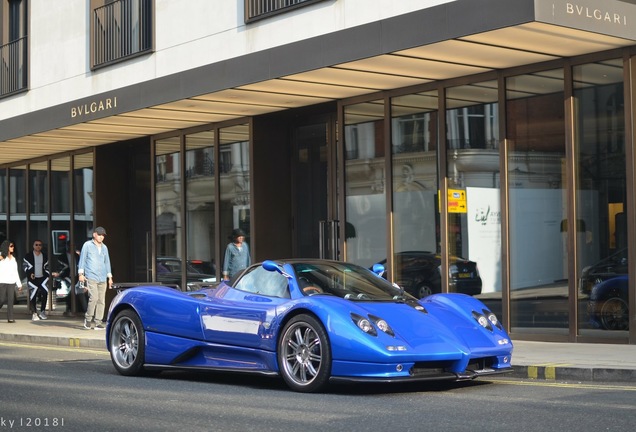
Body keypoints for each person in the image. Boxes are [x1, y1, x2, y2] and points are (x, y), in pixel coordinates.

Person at [78, 226, 113, 330]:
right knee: (94, 298)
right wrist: (81, 274)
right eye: (99, 234)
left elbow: (107, 262)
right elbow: (82, 259)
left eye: (103, 235)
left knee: (101, 300)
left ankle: (98, 322)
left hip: (102, 277)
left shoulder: (104, 247)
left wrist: (110, 277)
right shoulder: (87, 245)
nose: (101, 237)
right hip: (91, 276)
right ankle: (88, 319)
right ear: (94, 234)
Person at [23, 239, 58, 321]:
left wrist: (49, 275)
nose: (38, 246)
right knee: (33, 296)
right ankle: (34, 313)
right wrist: (29, 273)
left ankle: (42, 312)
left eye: (40, 245)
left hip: (42, 278)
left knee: (45, 293)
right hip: (32, 279)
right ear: (33, 246)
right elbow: (24, 266)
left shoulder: (44, 256)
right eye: (36, 245)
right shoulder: (28, 256)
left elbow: (47, 267)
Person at [0, 240, 23, 323]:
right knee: (2, 299)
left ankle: (10, 318)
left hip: (11, 282)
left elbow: (15, 272)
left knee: (11, 300)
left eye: (13, 246)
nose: (13, 248)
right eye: (11, 246)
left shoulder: (13, 259)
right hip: (2, 281)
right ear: (6, 247)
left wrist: (19, 284)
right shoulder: (1, 256)